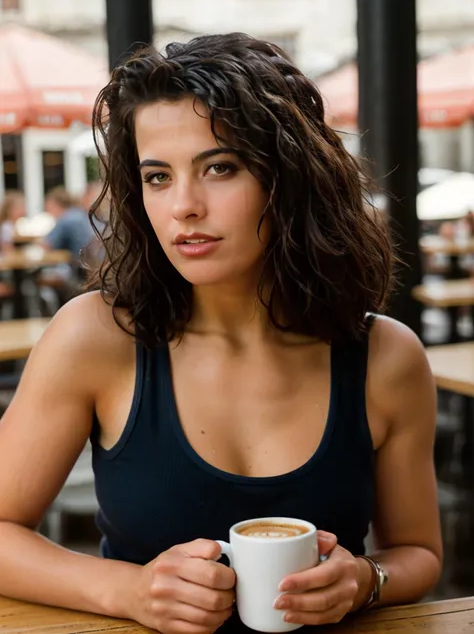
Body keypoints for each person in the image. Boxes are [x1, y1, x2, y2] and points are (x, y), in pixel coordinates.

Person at [0, 34, 442, 633]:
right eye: (157, 177)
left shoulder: (386, 357)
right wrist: (127, 591)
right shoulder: (95, 338)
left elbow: (419, 554)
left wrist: (364, 581)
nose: (183, 205)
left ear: (290, 178)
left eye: (219, 168)